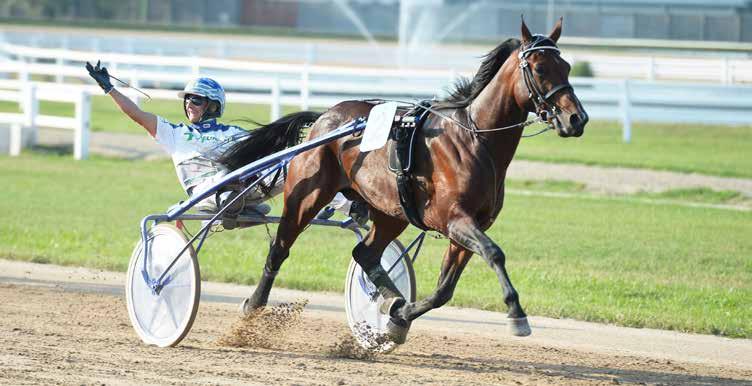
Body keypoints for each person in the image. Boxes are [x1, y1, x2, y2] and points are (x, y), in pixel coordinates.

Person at [85, 60, 367, 224]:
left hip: (246, 188)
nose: (189, 105)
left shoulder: (233, 133)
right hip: (209, 193)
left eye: (196, 100)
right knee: (231, 184)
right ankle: (235, 202)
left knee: (293, 166)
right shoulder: (174, 133)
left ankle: (345, 205)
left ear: (212, 105)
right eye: (188, 100)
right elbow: (136, 113)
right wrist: (109, 87)